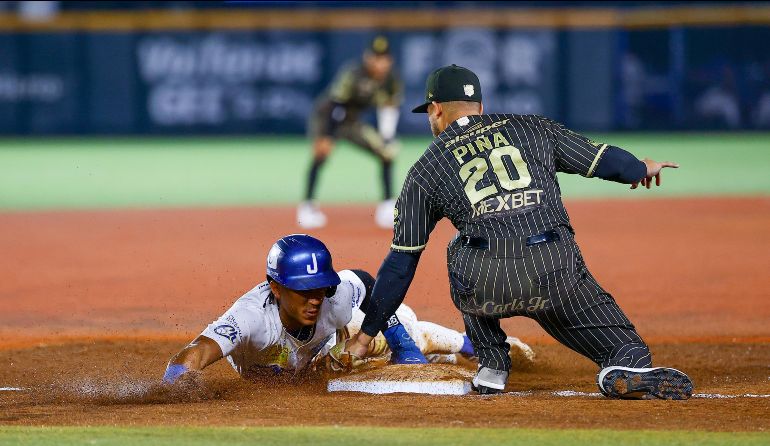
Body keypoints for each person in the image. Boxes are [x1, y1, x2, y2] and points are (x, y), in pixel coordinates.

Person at [342, 64, 694, 400]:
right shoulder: (532, 127)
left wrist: (367, 334)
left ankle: (492, 365)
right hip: (554, 272)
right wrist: (640, 168)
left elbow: (401, 263)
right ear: (480, 106)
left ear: (435, 110)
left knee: (460, 246)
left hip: (486, 282)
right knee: (628, 348)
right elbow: (602, 161)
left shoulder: (425, 168)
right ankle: (622, 366)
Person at [162, 234, 534, 384]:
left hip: (329, 344)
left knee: (403, 329)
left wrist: (399, 342)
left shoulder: (333, 296)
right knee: (356, 367)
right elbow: (196, 352)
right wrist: (174, 385)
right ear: (275, 288)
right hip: (311, 362)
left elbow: (368, 281)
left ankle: (471, 347)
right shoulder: (250, 317)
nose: (315, 298)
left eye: (320, 288)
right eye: (303, 291)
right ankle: (448, 361)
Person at [298, 35, 403, 230]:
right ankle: (307, 207)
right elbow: (336, 104)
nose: (380, 63)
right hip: (327, 116)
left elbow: (389, 108)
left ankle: (387, 207)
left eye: (384, 58)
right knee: (321, 154)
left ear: (390, 60)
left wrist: (387, 137)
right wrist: (327, 136)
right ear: (367, 57)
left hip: (352, 122)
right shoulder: (354, 73)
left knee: (385, 153)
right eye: (376, 57)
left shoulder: (391, 79)